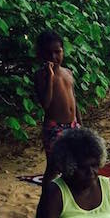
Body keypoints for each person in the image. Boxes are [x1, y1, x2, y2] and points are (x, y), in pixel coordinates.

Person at [34, 30, 82, 182]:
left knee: (76, 163)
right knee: (54, 166)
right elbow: (46, 104)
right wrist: (50, 78)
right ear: (41, 54)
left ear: (63, 51)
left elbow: (74, 99)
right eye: (48, 53)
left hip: (73, 125)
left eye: (57, 52)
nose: (53, 57)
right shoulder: (41, 76)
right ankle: (47, 199)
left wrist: (80, 123)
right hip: (55, 128)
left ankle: (67, 197)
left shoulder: (68, 72)